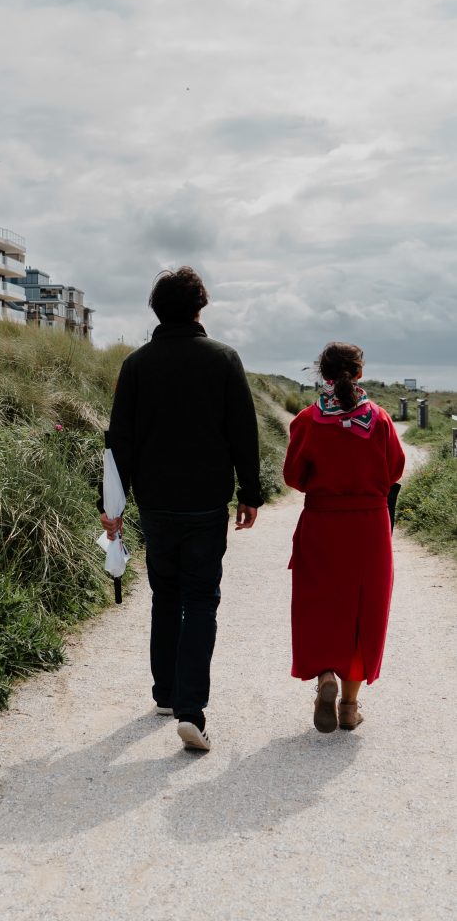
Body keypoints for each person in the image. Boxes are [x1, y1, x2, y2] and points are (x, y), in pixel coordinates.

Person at [99, 267, 263, 751]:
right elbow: (243, 433)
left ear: (157, 310)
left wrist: (113, 505)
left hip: (156, 503)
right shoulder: (223, 359)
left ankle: (166, 693)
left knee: (165, 595)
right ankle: (191, 710)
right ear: (199, 308)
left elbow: (119, 442)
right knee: (201, 600)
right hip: (206, 502)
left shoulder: (136, 365)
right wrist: (250, 493)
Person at [283, 342, 405, 733]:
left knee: (319, 606)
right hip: (369, 526)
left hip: (322, 523)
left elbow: (293, 477)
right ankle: (350, 707)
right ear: (359, 373)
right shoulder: (381, 420)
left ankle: (325, 680)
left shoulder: (307, 420)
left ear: (325, 375)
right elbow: (396, 470)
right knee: (363, 612)